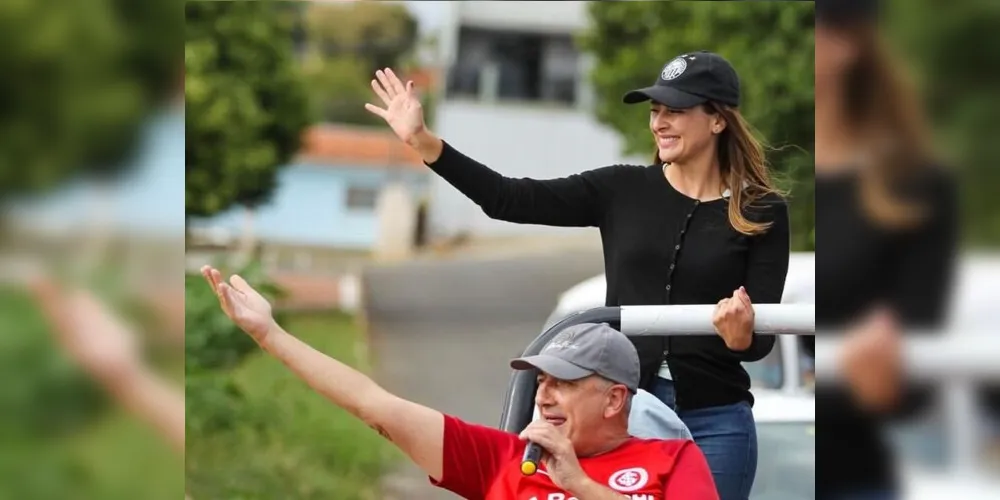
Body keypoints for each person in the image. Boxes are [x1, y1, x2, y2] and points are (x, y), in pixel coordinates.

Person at [364, 50, 790, 500]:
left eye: (676, 112)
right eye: (655, 111)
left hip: (717, 422)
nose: (659, 123)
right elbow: (510, 198)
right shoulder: (621, 189)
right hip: (622, 420)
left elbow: (760, 342)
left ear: (718, 119)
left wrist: (739, 334)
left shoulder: (762, 211)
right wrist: (425, 142)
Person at [199, 265, 719, 499]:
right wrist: (270, 335)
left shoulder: (671, 462)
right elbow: (373, 405)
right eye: (540, 381)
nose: (543, 394)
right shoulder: (503, 460)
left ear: (614, 399)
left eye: (564, 382)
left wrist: (580, 486)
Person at [812, 0, 958, 499]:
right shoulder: (775, 177)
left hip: (858, 470)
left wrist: (890, 374)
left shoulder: (914, 184)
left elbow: (921, 343)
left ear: (843, 43)